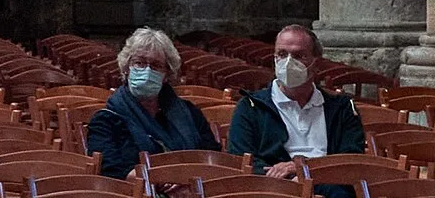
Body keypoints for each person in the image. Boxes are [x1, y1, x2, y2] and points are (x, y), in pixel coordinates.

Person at [226, 27, 364, 195]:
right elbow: (242, 160)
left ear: (316, 64)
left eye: (299, 56)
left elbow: (351, 159)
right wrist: (291, 183)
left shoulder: (342, 108)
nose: (289, 62)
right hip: (275, 190)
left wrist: (303, 169)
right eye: (282, 54)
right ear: (275, 59)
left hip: (330, 187)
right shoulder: (250, 107)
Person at [85, 30, 221, 180]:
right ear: (126, 69)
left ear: (166, 75)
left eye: (156, 65)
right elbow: (111, 173)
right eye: (139, 63)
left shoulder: (189, 113)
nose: (147, 71)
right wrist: (164, 179)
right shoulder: (106, 120)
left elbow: (213, 159)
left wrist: (186, 182)